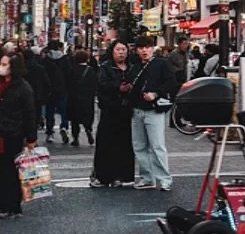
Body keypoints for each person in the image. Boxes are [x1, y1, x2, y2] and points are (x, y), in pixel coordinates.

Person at [0, 52, 37, 218]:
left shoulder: (22, 87)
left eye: (6, 64)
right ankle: (2, 202)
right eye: (1, 63)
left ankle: (12, 205)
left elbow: (30, 113)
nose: (2, 67)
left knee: (11, 170)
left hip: (13, 132)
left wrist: (31, 138)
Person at [129, 39, 177, 191]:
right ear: (137, 50)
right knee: (139, 146)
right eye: (141, 48)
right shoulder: (135, 67)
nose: (144, 51)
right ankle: (147, 177)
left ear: (152, 49)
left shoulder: (161, 64)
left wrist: (156, 94)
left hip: (154, 110)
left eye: (147, 48)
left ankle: (164, 178)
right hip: (137, 110)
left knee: (157, 145)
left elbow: (172, 82)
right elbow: (132, 87)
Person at [92, 40, 136, 186]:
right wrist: (118, 87)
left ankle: (123, 175)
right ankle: (104, 176)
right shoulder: (106, 68)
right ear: (112, 51)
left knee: (124, 143)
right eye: (118, 49)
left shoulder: (132, 68)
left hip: (127, 111)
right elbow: (101, 86)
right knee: (106, 143)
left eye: (124, 49)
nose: (121, 52)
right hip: (110, 110)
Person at [67, 49, 98, 146]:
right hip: (87, 98)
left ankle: (75, 138)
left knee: (74, 119)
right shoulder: (91, 70)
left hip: (74, 97)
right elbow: (95, 84)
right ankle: (88, 129)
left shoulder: (72, 70)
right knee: (87, 116)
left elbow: (68, 84)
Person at [43, 40, 70, 143]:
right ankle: (64, 127)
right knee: (64, 111)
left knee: (49, 112)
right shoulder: (64, 59)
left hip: (49, 90)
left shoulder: (46, 60)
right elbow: (68, 74)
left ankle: (50, 133)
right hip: (62, 89)